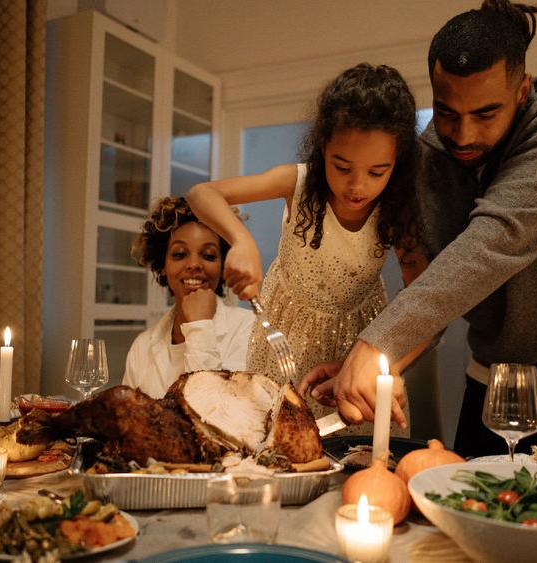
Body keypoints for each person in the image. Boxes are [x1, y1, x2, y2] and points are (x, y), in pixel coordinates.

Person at [301, 0, 537, 457]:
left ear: (522, 91)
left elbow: (498, 239)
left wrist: (375, 342)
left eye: (485, 114)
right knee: (463, 515)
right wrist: (366, 364)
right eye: (446, 113)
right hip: (492, 375)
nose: (463, 135)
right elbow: (437, 286)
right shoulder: (426, 157)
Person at [187, 63, 429, 435]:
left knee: (358, 456)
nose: (357, 185)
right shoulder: (296, 182)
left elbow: (426, 304)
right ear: (322, 146)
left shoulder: (398, 209)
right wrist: (241, 239)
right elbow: (202, 194)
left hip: (360, 342)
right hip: (283, 341)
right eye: (342, 166)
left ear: (398, 163)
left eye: (377, 172)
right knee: (276, 449)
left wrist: (386, 365)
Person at [122, 196, 255, 399]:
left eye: (209, 255)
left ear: (223, 266)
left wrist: (199, 325)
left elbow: (218, 418)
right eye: (179, 254)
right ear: (163, 266)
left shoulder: (248, 330)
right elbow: (128, 422)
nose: (194, 264)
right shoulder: (142, 346)